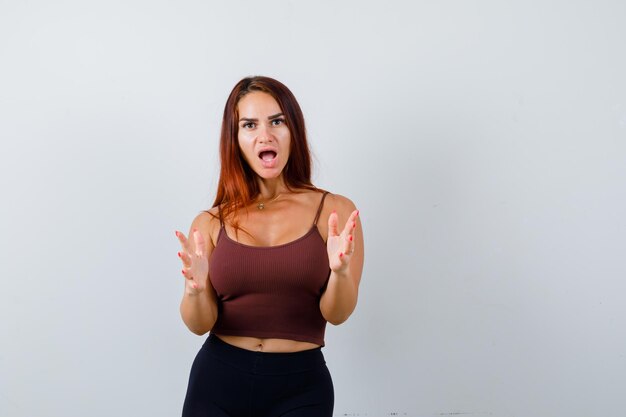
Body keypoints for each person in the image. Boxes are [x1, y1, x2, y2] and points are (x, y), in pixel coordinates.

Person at [174, 76, 364, 417]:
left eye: (277, 121)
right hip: (216, 382)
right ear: (235, 139)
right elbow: (199, 324)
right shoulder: (210, 222)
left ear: (294, 129)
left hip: (300, 387)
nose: (266, 134)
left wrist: (340, 272)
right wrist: (194, 290)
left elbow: (337, 314)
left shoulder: (335, 212)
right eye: (250, 125)